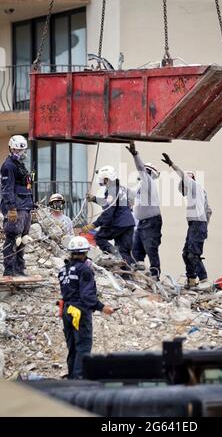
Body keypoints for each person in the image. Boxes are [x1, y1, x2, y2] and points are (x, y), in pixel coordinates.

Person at [58, 236, 114, 379]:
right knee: (83, 346)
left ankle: (72, 377)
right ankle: (78, 380)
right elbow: (87, 295)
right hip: (79, 312)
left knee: (73, 348)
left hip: (67, 311)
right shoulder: (84, 270)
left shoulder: (63, 269)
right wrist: (102, 308)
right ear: (85, 253)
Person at [161, 153, 211, 288]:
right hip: (195, 224)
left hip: (198, 224)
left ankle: (204, 279)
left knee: (193, 254)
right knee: (186, 254)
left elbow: (183, 175)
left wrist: (172, 165)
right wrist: (205, 226)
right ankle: (191, 279)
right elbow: (209, 211)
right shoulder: (197, 194)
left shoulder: (195, 186)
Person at [82, 166, 135, 267]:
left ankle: (117, 257)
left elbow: (108, 212)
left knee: (99, 237)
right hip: (128, 223)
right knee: (124, 250)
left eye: (103, 180)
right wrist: (94, 199)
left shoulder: (111, 190)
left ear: (106, 179)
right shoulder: (120, 188)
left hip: (119, 223)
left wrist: (94, 225)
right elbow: (111, 203)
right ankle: (128, 272)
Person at [126, 142, 162, 280]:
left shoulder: (149, 182)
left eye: (146, 171)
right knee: (136, 250)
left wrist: (135, 155)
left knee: (151, 249)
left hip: (151, 222)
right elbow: (130, 193)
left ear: (149, 173)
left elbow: (140, 168)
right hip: (142, 223)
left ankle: (155, 275)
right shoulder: (141, 185)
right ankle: (139, 273)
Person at [0, 135, 34, 277]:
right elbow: (7, 189)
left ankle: (19, 268)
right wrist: (11, 209)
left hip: (24, 206)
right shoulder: (8, 166)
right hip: (16, 208)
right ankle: (9, 270)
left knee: (23, 239)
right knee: (13, 237)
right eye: (17, 149)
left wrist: (31, 207)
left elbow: (27, 187)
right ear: (11, 148)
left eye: (22, 150)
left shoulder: (20, 165)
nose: (20, 152)